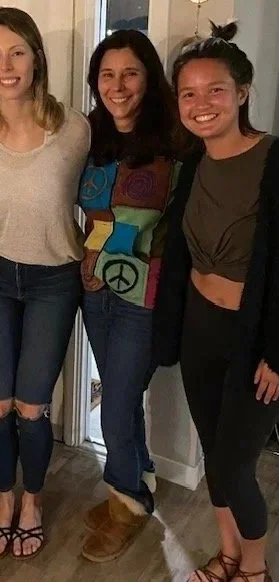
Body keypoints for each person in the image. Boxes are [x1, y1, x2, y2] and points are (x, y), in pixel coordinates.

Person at [0, 6, 90, 560]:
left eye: (16, 52)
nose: (5, 65)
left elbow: (103, 201)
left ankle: (32, 503)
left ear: (36, 57)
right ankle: (5, 499)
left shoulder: (75, 129)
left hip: (54, 281)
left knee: (31, 407)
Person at [154, 21, 279, 582]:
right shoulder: (193, 168)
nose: (201, 104)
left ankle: (253, 569)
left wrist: (277, 353)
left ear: (242, 93)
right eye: (188, 93)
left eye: (215, 90)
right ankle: (229, 553)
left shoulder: (273, 160)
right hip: (200, 329)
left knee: (234, 467)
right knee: (213, 453)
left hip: (254, 340)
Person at [77, 29, 179, 562]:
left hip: (145, 295)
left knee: (115, 404)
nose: (117, 86)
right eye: (107, 74)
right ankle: (137, 486)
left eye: (130, 73)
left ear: (149, 77)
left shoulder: (176, 141)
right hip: (94, 286)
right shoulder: (88, 136)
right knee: (123, 398)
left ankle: (127, 504)